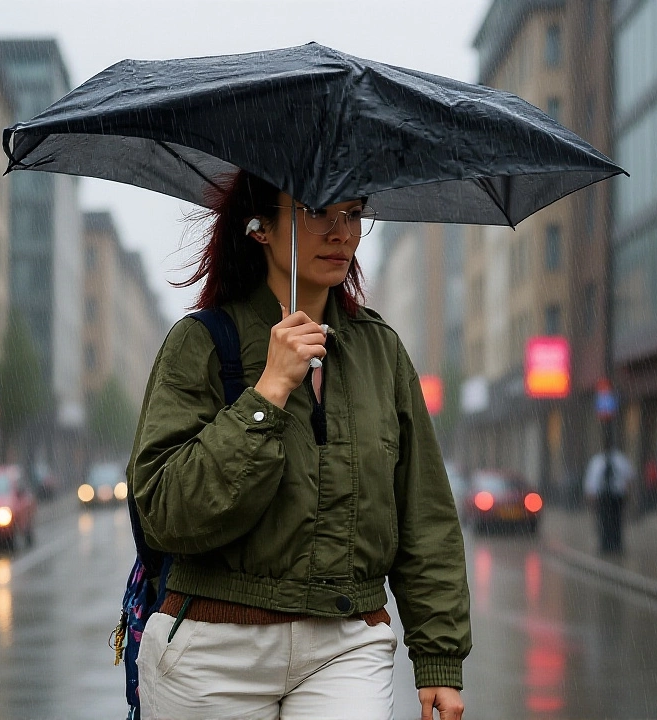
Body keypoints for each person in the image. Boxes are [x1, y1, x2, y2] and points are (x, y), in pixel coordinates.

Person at [128, 170, 470, 720]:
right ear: (261, 227)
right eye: (317, 212)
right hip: (214, 646)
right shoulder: (201, 342)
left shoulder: (380, 352)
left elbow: (424, 515)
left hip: (346, 643)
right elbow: (166, 511)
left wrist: (439, 658)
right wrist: (269, 391)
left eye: (355, 213)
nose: (342, 232)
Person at [582, 448, 633, 553]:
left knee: (614, 522)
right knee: (607, 522)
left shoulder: (617, 460)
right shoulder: (598, 462)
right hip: (605, 499)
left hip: (615, 498)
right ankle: (607, 544)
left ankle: (613, 544)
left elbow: (629, 480)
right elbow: (591, 484)